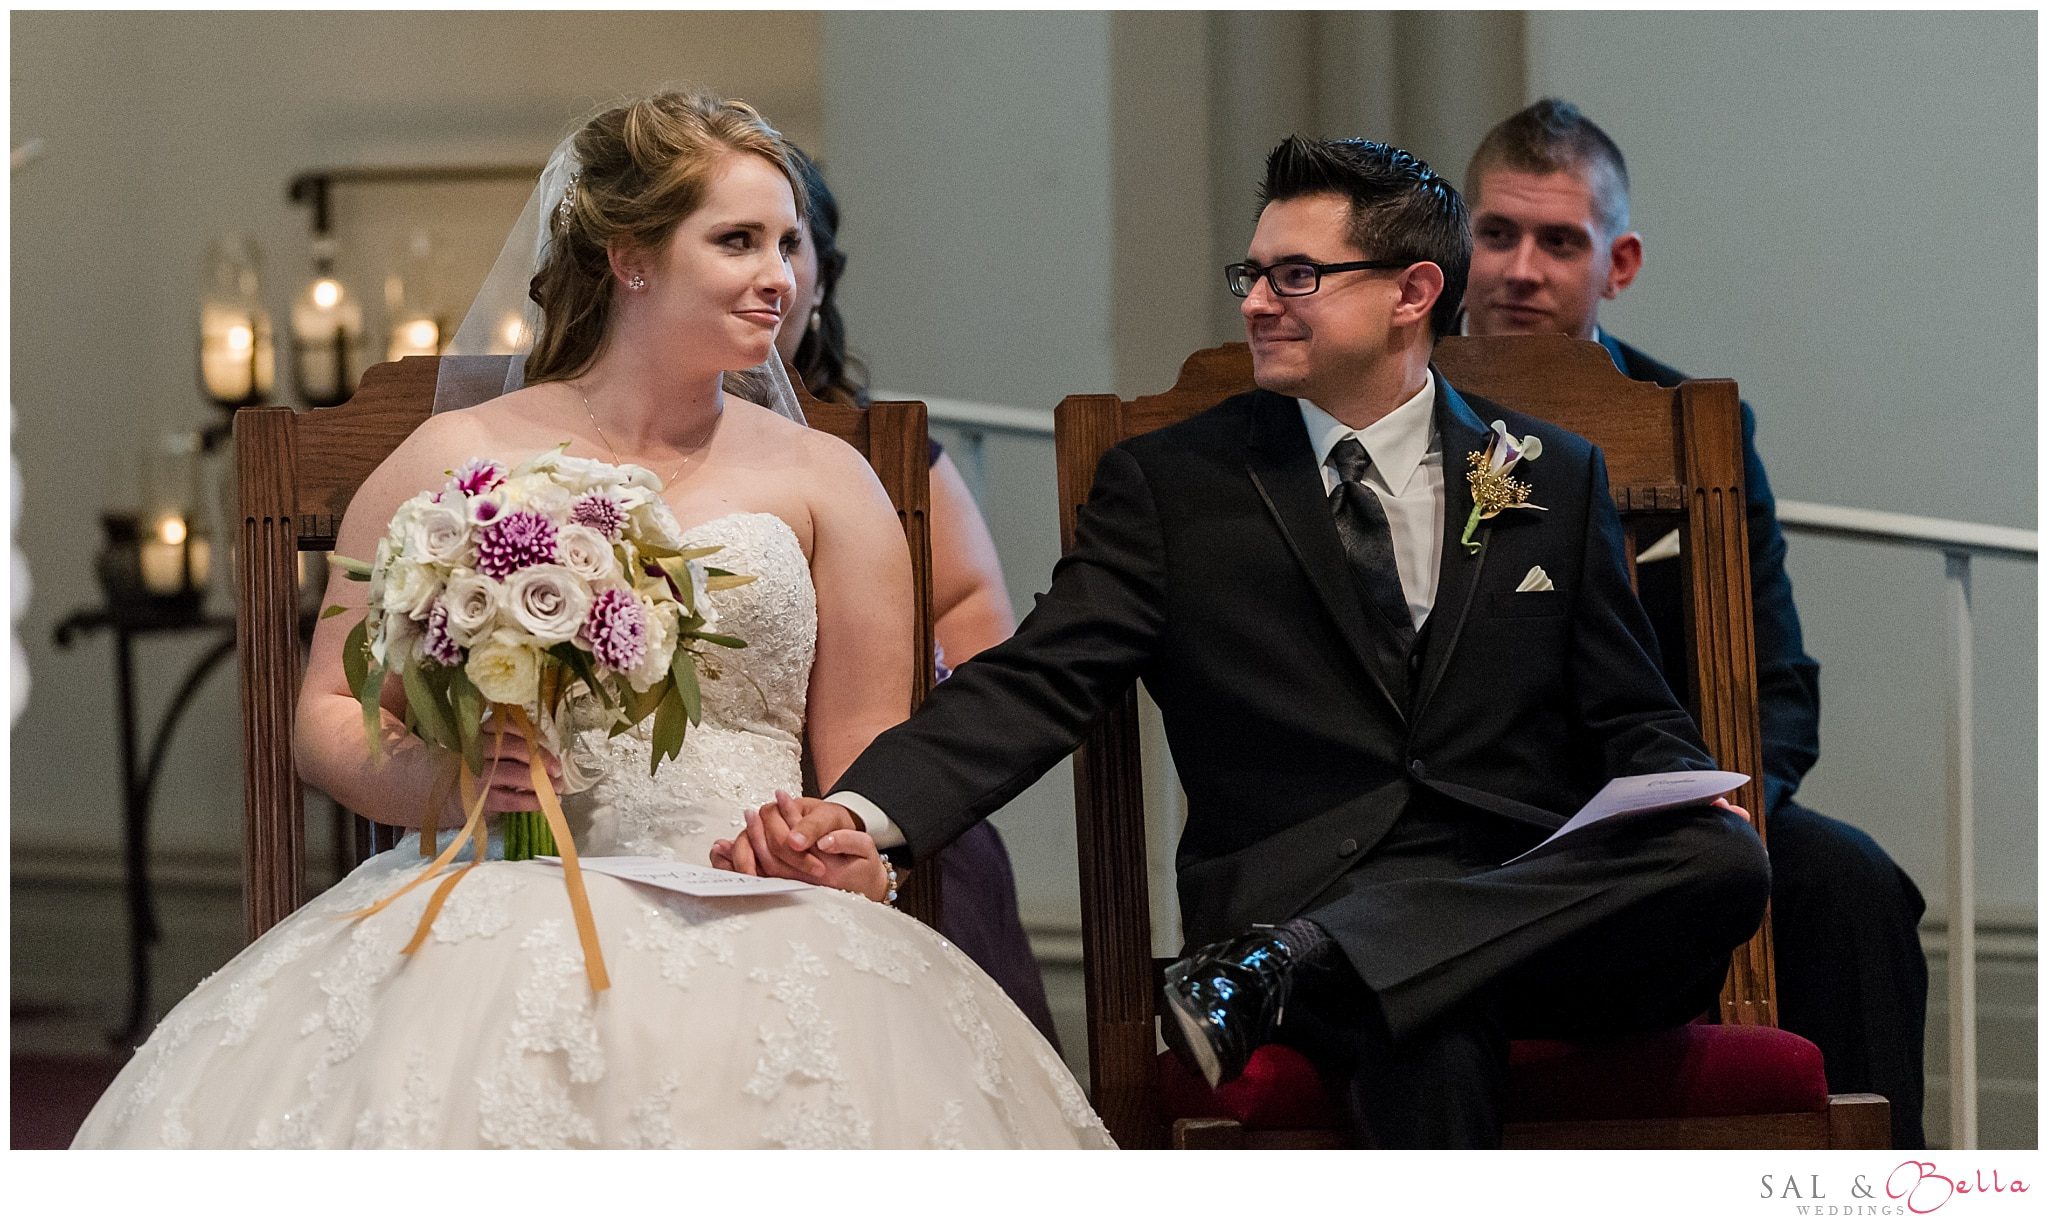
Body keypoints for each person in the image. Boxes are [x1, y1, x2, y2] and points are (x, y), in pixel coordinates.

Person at [72, 90, 1109, 1150]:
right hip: (504, 891)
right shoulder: (453, 458)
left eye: (790, 242)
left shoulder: (830, 482)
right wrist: (454, 776)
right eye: (738, 240)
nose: (782, 276)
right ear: (632, 257)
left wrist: (846, 846)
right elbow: (331, 710)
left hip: (754, 910)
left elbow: (866, 763)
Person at [734, 135, 1772, 1148]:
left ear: (1410, 292)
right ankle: (1334, 949)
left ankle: (1311, 957)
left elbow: (1632, 714)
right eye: (1253, 271)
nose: (1254, 301)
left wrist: (1676, 778)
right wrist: (866, 814)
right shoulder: (1175, 488)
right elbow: (1036, 681)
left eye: (1295, 275)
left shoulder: (1551, 472)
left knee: (1720, 854)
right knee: (1420, 1013)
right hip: (1314, 879)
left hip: (1523, 905)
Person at [1461, 98, 1928, 1147]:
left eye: (1557, 241)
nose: (1519, 269)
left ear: (1615, 261)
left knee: (1847, 881)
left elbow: (1774, 680)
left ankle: (1883, 1191)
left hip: (1661, 807)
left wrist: (1723, 815)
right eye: (1495, 234)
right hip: (1467, 806)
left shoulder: (1695, 421)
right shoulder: (1399, 397)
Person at [770, 145, 1060, 1047]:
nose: (763, 277)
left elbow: (980, 641)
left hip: (874, 809)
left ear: (821, 280)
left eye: (786, 247)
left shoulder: (889, 458)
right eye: (731, 242)